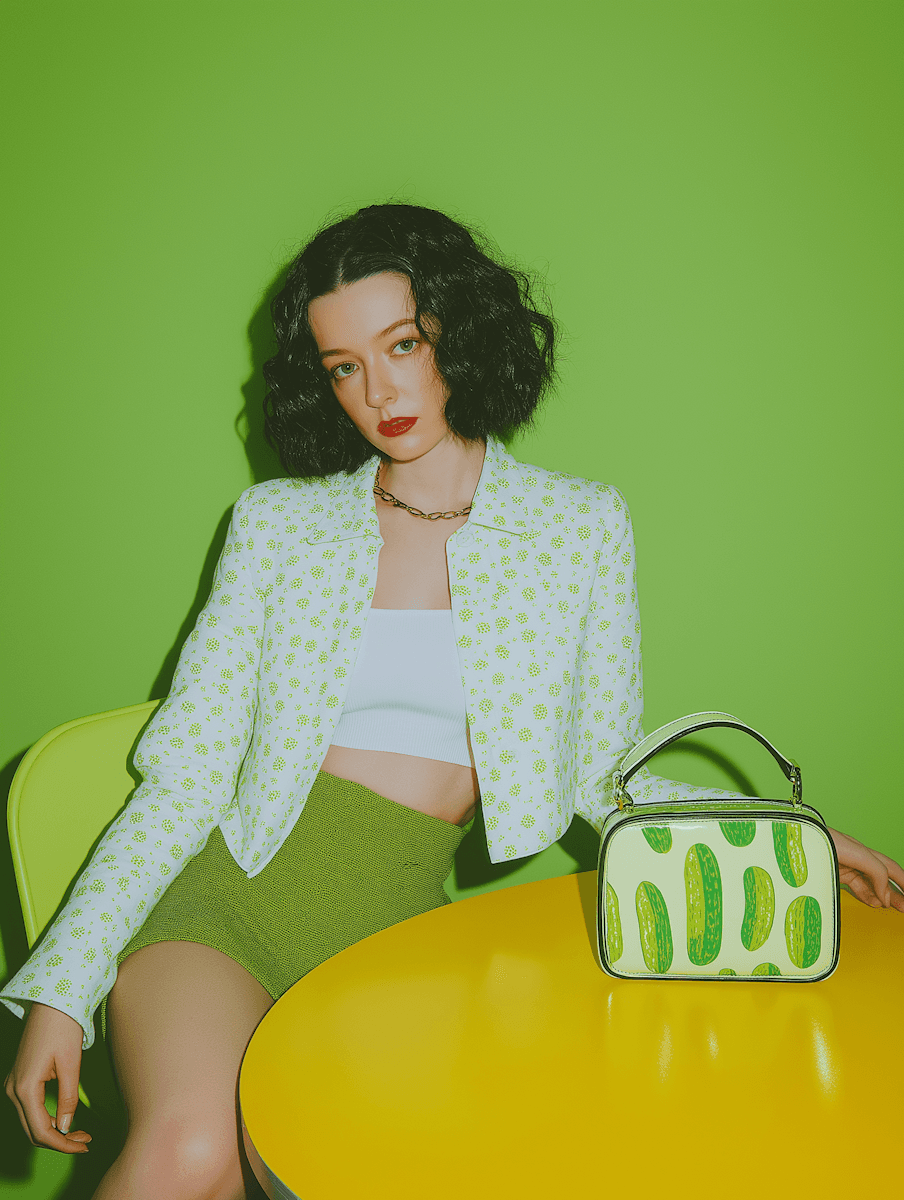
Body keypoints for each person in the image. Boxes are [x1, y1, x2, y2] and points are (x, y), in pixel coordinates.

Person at [4, 203, 903, 1200]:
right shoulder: (277, 526)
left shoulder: (576, 527)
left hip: (392, 935)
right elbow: (183, 778)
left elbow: (605, 772)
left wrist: (784, 837)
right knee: (194, 1150)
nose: (377, 389)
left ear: (459, 335)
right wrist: (60, 990)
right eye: (343, 364)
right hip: (225, 902)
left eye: (401, 344)